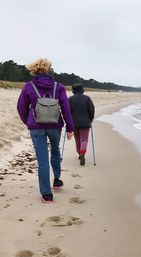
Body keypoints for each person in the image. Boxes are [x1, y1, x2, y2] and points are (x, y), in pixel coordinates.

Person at [17, 58, 74, 203]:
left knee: (42, 160)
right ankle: (57, 180)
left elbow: (21, 107)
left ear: (34, 70)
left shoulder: (29, 86)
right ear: (49, 70)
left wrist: (28, 121)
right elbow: (66, 108)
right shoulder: (59, 87)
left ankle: (46, 194)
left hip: (36, 127)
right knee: (55, 151)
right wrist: (70, 127)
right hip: (55, 126)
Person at [68, 83, 95, 166]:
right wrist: (91, 119)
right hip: (85, 122)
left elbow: (67, 111)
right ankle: (82, 153)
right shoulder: (87, 98)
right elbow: (92, 109)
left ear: (73, 91)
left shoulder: (70, 99)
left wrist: (68, 121)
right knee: (84, 139)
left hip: (74, 122)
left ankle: (79, 153)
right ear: (82, 90)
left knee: (77, 139)